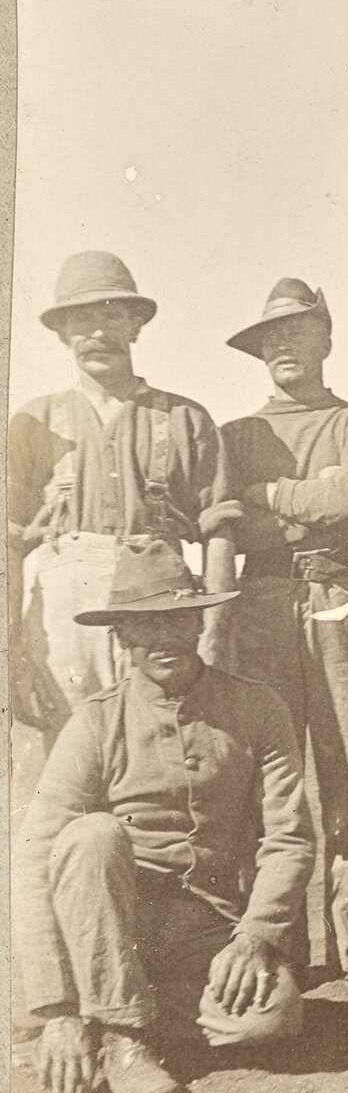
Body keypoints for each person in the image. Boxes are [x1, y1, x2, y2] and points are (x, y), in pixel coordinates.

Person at [20, 541, 310, 1093]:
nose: (163, 637)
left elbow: (289, 837)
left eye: (176, 619)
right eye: (144, 624)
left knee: (274, 1018)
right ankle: (123, 1037)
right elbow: (36, 858)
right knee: (92, 836)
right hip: (110, 927)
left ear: (200, 622)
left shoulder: (257, 708)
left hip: (207, 926)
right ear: (120, 636)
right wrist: (55, 1006)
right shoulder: (95, 723)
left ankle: (117, 1014)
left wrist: (254, 937)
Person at [216, 280, 348, 977]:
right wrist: (310, 503)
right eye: (271, 338)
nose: (283, 346)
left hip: (341, 597)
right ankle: (278, 938)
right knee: (271, 774)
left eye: (297, 332)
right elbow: (232, 526)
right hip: (260, 604)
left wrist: (268, 495)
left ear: (326, 340)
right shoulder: (237, 436)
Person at [9, 253, 235, 797]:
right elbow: (9, 542)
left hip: (161, 604)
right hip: (66, 613)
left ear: (135, 325)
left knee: (162, 750)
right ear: (61, 334)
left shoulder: (185, 418)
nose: (97, 332)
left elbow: (220, 530)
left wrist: (214, 630)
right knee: (66, 761)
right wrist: (11, 647)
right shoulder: (34, 422)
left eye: (112, 316)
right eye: (81, 320)